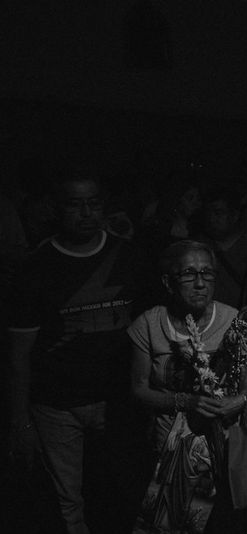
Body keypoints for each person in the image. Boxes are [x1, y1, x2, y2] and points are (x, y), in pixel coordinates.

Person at [7, 171, 147, 534]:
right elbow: (18, 354)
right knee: (67, 501)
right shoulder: (35, 268)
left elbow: (151, 326)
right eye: (75, 204)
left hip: (119, 400)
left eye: (93, 203)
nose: (85, 212)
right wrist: (19, 420)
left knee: (123, 490)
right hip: (57, 404)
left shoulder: (128, 255)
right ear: (57, 208)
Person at [128, 239, 247, 533]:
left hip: (225, 448)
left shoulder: (233, 319)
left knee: (223, 522)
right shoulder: (148, 324)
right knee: (174, 523)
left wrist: (240, 400)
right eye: (189, 274)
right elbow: (139, 389)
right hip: (169, 447)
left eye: (207, 274)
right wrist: (186, 402)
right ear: (168, 282)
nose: (200, 283)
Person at [200, 186, 247, 308]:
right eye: (208, 213)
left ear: (234, 215)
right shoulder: (198, 247)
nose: (212, 219)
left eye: (218, 213)